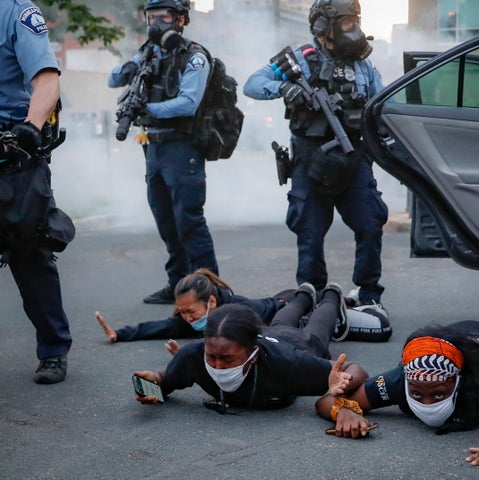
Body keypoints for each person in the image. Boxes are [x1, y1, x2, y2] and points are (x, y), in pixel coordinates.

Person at [243, 0, 390, 323]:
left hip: (353, 157)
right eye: (345, 23)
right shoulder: (300, 59)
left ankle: (368, 296)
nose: (353, 30)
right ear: (324, 27)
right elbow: (252, 85)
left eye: (355, 22)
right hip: (310, 161)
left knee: (370, 224)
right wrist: (284, 87)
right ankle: (312, 298)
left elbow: (383, 102)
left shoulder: (362, 64)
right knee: (310, 234)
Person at [315, 315, 479, 468]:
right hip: (458, 332)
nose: (427, 402)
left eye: (439, 394)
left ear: (458, 380)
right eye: (417, 394)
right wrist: (343, 410)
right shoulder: (398, 380)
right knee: (472, 331)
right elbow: (325, 402)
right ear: (407, 380)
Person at [108, 0, 218, 305]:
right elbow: (112, 79)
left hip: (183, 147)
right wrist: (130, 66)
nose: (156, 22)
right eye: (151, 16)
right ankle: (178, 285)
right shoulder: (148, 52)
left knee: (189, 221)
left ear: (181, 19)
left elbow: (188, 103)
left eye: (164, 16)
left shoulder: (194, 57)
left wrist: (149, 108)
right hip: (153, 146)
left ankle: (210, 290)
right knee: (166, 220)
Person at [0, 1, 75, 384]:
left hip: (11, 149)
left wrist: (30, 128)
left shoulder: (15, 11)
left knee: (29, 252)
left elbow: (46, 78)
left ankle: (53, 349)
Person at [132, 287, 359, 410]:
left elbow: (354, 369)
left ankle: (331, 294)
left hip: (301, 345)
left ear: (253, 354)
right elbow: (166, 379)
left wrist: (338, 386)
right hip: (273, 333)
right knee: (280, 323)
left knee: (318, 327)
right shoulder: (193, 355)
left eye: (228, 360)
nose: (218, 367)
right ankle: (304, 295)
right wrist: (154, 382)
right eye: (212, 357)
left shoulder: (291, 363)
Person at [95, 268, 303, 354]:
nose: (187, 317)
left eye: (190, 311)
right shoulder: (191, 316)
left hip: (292, 305)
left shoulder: (238, 312)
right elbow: (162, 326)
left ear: (211, 303)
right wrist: (120, 333)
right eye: (182, 311)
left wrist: (190, 354)